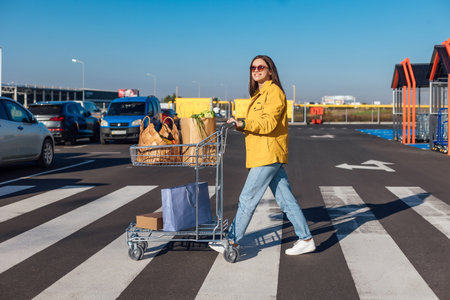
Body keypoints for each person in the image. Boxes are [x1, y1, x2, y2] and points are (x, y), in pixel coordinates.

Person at [210, 55, 315, 256]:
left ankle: (231, 242)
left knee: (247, 197)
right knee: (286, 200)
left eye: (261, 67)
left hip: (268, 154)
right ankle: (306, 238)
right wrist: (240, 123)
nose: (256, 70)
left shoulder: (274, 93)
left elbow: (268, 124)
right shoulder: (259, 94)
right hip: (264, 153)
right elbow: (258, 122)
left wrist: (244, 124)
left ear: (270, 70)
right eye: (252, 67)